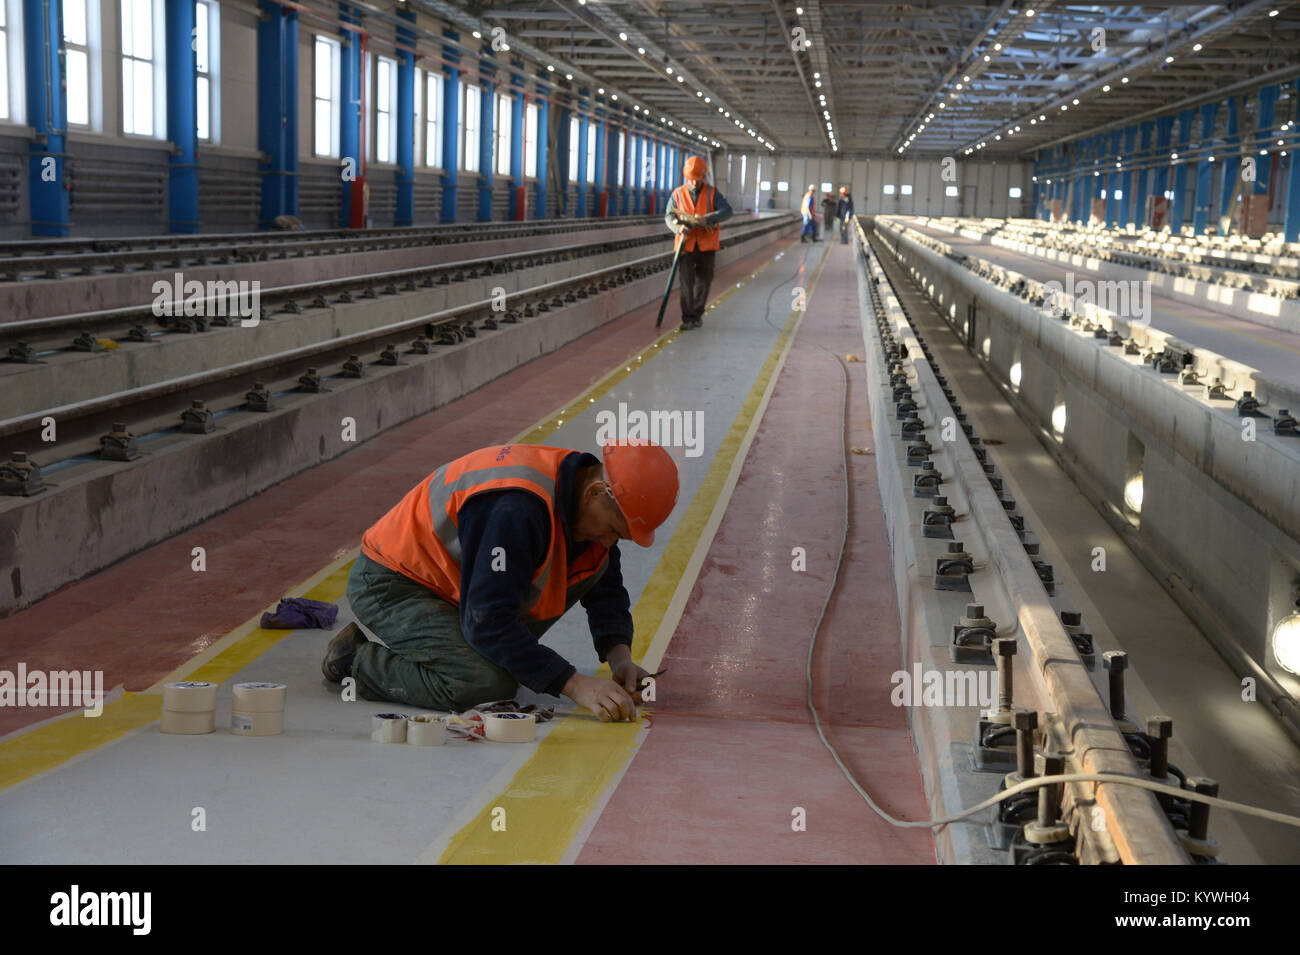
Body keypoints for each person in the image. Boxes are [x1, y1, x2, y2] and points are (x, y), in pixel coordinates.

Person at [324, 441, 680, 722]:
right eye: (613, 531)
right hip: (394, 582)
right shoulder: (517, 509)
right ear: (595, 493)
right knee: (483, 683)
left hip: (462, 587)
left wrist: (620, 660)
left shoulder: (581, 491)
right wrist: (574, 685)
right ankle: (354, 660)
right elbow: (489, 621)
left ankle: (466, 648)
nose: (609, 542)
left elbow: (606, 588)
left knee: (595, 563)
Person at [664, 155, 733, 330]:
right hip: (685, 245)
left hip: (706, 246)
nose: (694, 183)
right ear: (686, 177)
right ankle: (688, 318)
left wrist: (708, 219)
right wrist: (677, 227)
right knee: (686, 283)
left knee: (704, 281)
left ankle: (697, 314)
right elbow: (669, 216)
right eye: (691, 179)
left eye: (698, 179)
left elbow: (727, 211)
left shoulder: (712, 193)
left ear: (704, 176)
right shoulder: (677, 194)